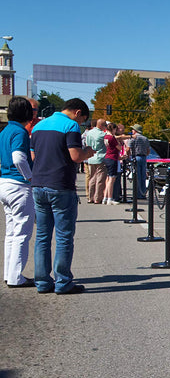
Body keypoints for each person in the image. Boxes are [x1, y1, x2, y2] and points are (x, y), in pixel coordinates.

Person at [30, 97, 95, 294]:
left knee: (42, 235)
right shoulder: (70, 126)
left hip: (39, 184)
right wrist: (88, 153)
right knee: (64, 236)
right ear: (77, 112)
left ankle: (42, 281)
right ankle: (63, 282)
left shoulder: (39, 126)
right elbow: (75, 156)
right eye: (82, 119)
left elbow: (33, 156)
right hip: (61, 185)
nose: (81, 123)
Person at [0, 96, 35, 287]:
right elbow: (19, 157)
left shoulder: (5, 131)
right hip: (18, 185)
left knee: (11, 233)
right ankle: (16, 277)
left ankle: (9, 273)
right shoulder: (20, 132)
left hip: (4, 182)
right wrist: (30, 177)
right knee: (22, 233)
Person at [84, 118, 107, 203]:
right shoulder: (102, 134)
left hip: (91, 157)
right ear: (101, 125)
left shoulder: (89, 133)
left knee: (92, 178)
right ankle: (97, 198)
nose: (106, 127)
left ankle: (90, 197)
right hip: (100, 157)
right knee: (100, 179)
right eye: (105, 125)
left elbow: (87, 144)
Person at [102, 122, 121, 205]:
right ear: (113, 129)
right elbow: (119, 147)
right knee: (112, 179)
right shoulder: (112, 137)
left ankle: (105, 197)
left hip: (107, 157)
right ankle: (110, 198)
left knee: (108, 179)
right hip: (112, 158)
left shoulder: (105, 136)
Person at [129, 124, 150, 199]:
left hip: (136, 157)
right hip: (143, 157)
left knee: (136, 176)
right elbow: (148, 150)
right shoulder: (145, 138)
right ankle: (143, 193)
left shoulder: (133, 138)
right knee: (143, 176)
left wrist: (129, 156)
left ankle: (137, 194)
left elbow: (128, 148)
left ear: (135, 131)